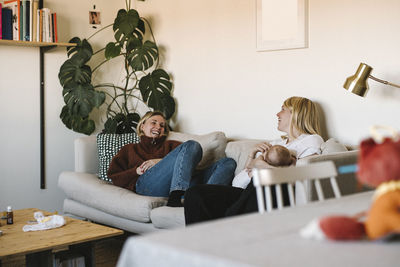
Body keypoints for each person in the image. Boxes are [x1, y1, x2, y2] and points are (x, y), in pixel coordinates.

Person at [184, 96, 324, 224]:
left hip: (275, 193)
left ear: (296, 114)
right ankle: (198, 244)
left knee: (261, 180)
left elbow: (298, 176)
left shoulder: (311, 140)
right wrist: (252, 155)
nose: (277, 114)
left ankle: (227, 227)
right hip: (248, 193)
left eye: (282, 110)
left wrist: (259, 165)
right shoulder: (275, 143)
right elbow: (238, 181)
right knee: (195, 193)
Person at [107, 111, 237, 207]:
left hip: (184, 185)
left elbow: (188, 164)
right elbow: (114, 176)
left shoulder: (173, 145)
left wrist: (160, 161)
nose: (158, 127)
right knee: (192, 145)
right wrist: (136, 171)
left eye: (162, 125)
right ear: (142, 126)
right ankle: (175, 197)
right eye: (154, 123)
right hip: (147, 185)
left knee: (228, 162)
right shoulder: (130, 149)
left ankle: (203, 199)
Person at [232, 144, 296, 189]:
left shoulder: (261, 165)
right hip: (239, 181)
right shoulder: (261, 165)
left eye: (267, 151)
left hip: (239, 186)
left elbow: (248, 167)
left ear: (265, 158)